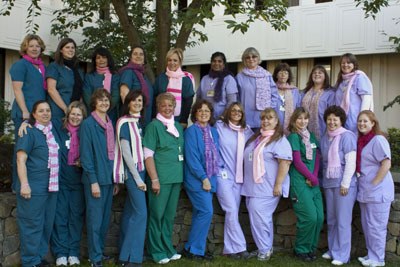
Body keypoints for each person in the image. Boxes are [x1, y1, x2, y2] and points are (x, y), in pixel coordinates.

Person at [241, 108, 292, 261]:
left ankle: (264, 250)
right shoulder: (257, 138)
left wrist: (278, 185)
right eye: (263, 118)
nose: (266, 121)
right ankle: (265, 248)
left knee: (259, 218)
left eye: (270, 118)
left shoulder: (280, 140)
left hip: (267, 188)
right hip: (252, 187)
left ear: (277, 121)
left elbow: (285, 163)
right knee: (262, 219)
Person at [16, 100, 60, 267]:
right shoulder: (29, 132)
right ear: (33, 114)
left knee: (46, 224)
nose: (45, 113)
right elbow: (21, 159)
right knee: (31, 224)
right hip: (34, 186)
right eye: (41, 111)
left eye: (48, 110)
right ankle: (29, 261)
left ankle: (37, 258)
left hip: (51, 186)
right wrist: (24, 184)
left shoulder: (50, 132)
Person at [143, 93, 184, 264]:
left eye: (170, 105)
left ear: (174, 107)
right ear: (158, 107)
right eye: (163, 105)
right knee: (157, 216)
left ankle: (168, 248)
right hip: (160, 179)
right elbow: (148, 155)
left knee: (168, 217)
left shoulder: (178, 127)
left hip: (176, 178)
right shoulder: (154, 126)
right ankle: (157, 252)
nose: (167, 108)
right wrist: (154, 179)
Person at [80, 89, 118, 267]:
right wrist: (93, 181)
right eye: (100, 100)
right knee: (95, 221)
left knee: (104, 221)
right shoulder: (88, 124)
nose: (104, 103)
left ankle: (100, 253)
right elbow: (86, 156)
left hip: (109, 179)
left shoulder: (111, 123)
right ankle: (94, 258)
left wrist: (115, 179)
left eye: (106, 100)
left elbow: (114, 155)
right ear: (94, 103)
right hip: (95, 180)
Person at [183, 100, 221, 261]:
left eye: (207, 110)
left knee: (201, 213)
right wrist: (203, 178)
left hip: (211, 179)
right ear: (195, 114)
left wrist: (210, 179)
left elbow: (216, 155)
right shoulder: (191, 131)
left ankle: (191, 248)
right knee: (206, 211)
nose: (204, 113)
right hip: (196, 179)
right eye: (200, 111)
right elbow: (192, 159)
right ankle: (196, 250)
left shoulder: (214, 132)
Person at [356, 111, 394, 267]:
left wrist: (374, 184)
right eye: (360, 121)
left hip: (378, 191)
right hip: (366, 190)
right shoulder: (363, 141)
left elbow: (386, 163)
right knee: (368, 225)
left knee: (377, 226)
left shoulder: (378, 139)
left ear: (373, 123)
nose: (362, 124)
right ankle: (371, 255)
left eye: (365, 121)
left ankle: (379, 259)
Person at [215, 102, 253, 259]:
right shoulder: (219, 126)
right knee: (230, 209)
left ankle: (229, 249)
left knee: (233, 213)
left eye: (240, 111)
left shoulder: (247, 131)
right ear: (228, 112)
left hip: (239, 177)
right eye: (234, 110)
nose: (237, 113)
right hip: (222, 174)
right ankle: (241, 248)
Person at [320, 105, 357, 266]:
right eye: (329, 119)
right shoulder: (324, 137)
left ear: (341, 120)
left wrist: (345, 183)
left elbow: (351, 161)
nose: (332, 122)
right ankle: (333, 249)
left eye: (335, 119)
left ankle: (343, 255)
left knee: (343, 220)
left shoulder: (347, 136)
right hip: (329, 182)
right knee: (332, 219)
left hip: (344, 184)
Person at [9, 34, 47, 191]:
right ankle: (17, 186)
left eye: (37, 46)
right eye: (31, 45)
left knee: (33, 149)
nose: (34, 48)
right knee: (21, 150)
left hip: (37, 113)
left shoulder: (40, 66)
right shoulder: (20, 65)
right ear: (25, 47)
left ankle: (29, 183)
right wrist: (25, 111)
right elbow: (17, 90)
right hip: (25, 114)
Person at [114, 90, 147, 266]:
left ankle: (123, 254)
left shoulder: (139, 123)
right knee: (141, 213)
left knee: (130, 213)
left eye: (140, 100)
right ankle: (131, 257)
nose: (137, 103)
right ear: (128, 103)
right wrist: (138, 179)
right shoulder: (124, 123)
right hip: (133, 173)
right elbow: (126, 154)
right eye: (134, 100)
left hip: (141, 171)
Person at [51, 101, 87, 266]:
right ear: (68, 114)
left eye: (79, 114)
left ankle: (73, 252)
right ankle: (60, 253)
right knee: (61, 217)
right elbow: (39, 122)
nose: (75, 117)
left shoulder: (85, 133)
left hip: (78, 182)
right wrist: (24, 123)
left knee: (75, 218)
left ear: (83, 117)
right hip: (61, 182)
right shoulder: (58, 130)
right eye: (73, 113)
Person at [287, 107, 324, 262]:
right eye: (299, 118)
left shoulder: (311, 137)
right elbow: (297, 161)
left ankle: (310, 248)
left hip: (312, 181)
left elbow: (317, 157)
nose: (303, 121)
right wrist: (310, 177)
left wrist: (314, 176)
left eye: (305, 118)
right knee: (309, 217)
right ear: (294, 120)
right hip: (300, 182)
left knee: (319, 217)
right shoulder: (294, 137)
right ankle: (301, 249)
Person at [236, 47, 279, 131]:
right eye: (248, 57)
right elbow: (237, 98)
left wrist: (270, 109)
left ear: (258, 58)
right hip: (246, 118)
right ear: (244, 60)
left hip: (264, 118)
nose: (251, 59)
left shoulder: (266, 75)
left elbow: (274, 94)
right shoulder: (240, 77)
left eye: (254, 56)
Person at [47, 38, 84, 132]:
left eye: (72, 47)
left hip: (74, 113)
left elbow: (80, 91)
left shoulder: (78, 69)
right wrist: (65, 108)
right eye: (67, 47)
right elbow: (51, 89)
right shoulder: (54, 66)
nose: (70, 50)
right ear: (61, 50)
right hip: (59, 110)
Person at [154, 48, 195, 128]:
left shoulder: (186, 80)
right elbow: (154, 97)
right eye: (169, 60)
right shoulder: (161, 78)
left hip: (178, 121)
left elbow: (188, 102)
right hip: (161, 120)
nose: (172, 63)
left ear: (180, 62)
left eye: (175, 60)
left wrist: (184, 120)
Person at [334, 53, 373, 133]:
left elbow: (366, 99)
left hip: (355, 121)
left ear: (354, 64)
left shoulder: (359, 77)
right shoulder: (341, 80)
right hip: (341, 121)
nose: (345, 65)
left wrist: (362, 119)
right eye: (343, 63)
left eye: (348, 63)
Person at [83, 47, 120, 125]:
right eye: (98, 58)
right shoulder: (89, 76)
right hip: (93, 113)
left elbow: (116, 95)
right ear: (95, 60)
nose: (101, 60)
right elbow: (87, 95)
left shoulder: (115, 76)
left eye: (104, 57)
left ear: (108, 59)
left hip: (110, 114)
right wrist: (98, 110)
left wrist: (105, 109)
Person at [196, 52, 238, 119]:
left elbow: (232, 101)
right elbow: (199, 98)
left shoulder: (229, 79)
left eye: (219, 61)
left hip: (222, 119)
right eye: (214, 61)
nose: (216, 63)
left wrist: (222, 117)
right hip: (205, 118)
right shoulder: (205, 79)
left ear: (224, 64)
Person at [119, 46, 154, 127]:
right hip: (133, 117)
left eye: (141, 54)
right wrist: (130, 115)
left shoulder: (143, 75)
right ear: (130, 57)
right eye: (135, 54)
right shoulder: (128, 72)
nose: (138, 56)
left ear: (144, 58)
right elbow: (124, 94)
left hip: (145, 116)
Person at [302, 65, 335, 141]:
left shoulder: (330, 93)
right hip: (305, 128)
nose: (317, 74)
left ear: (325, 77)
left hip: (323, 129)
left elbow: (332, 113)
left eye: (320, 73)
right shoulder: (305, 92)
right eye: (314, 73)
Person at [272, 63, 301, 135]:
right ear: (276, 75)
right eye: (280, 72)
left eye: (286, 73)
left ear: (288, 76)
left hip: (291, 126)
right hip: (274, 125)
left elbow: (298, 109)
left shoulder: (294, 91)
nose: (283, 75)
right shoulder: (271, 90)